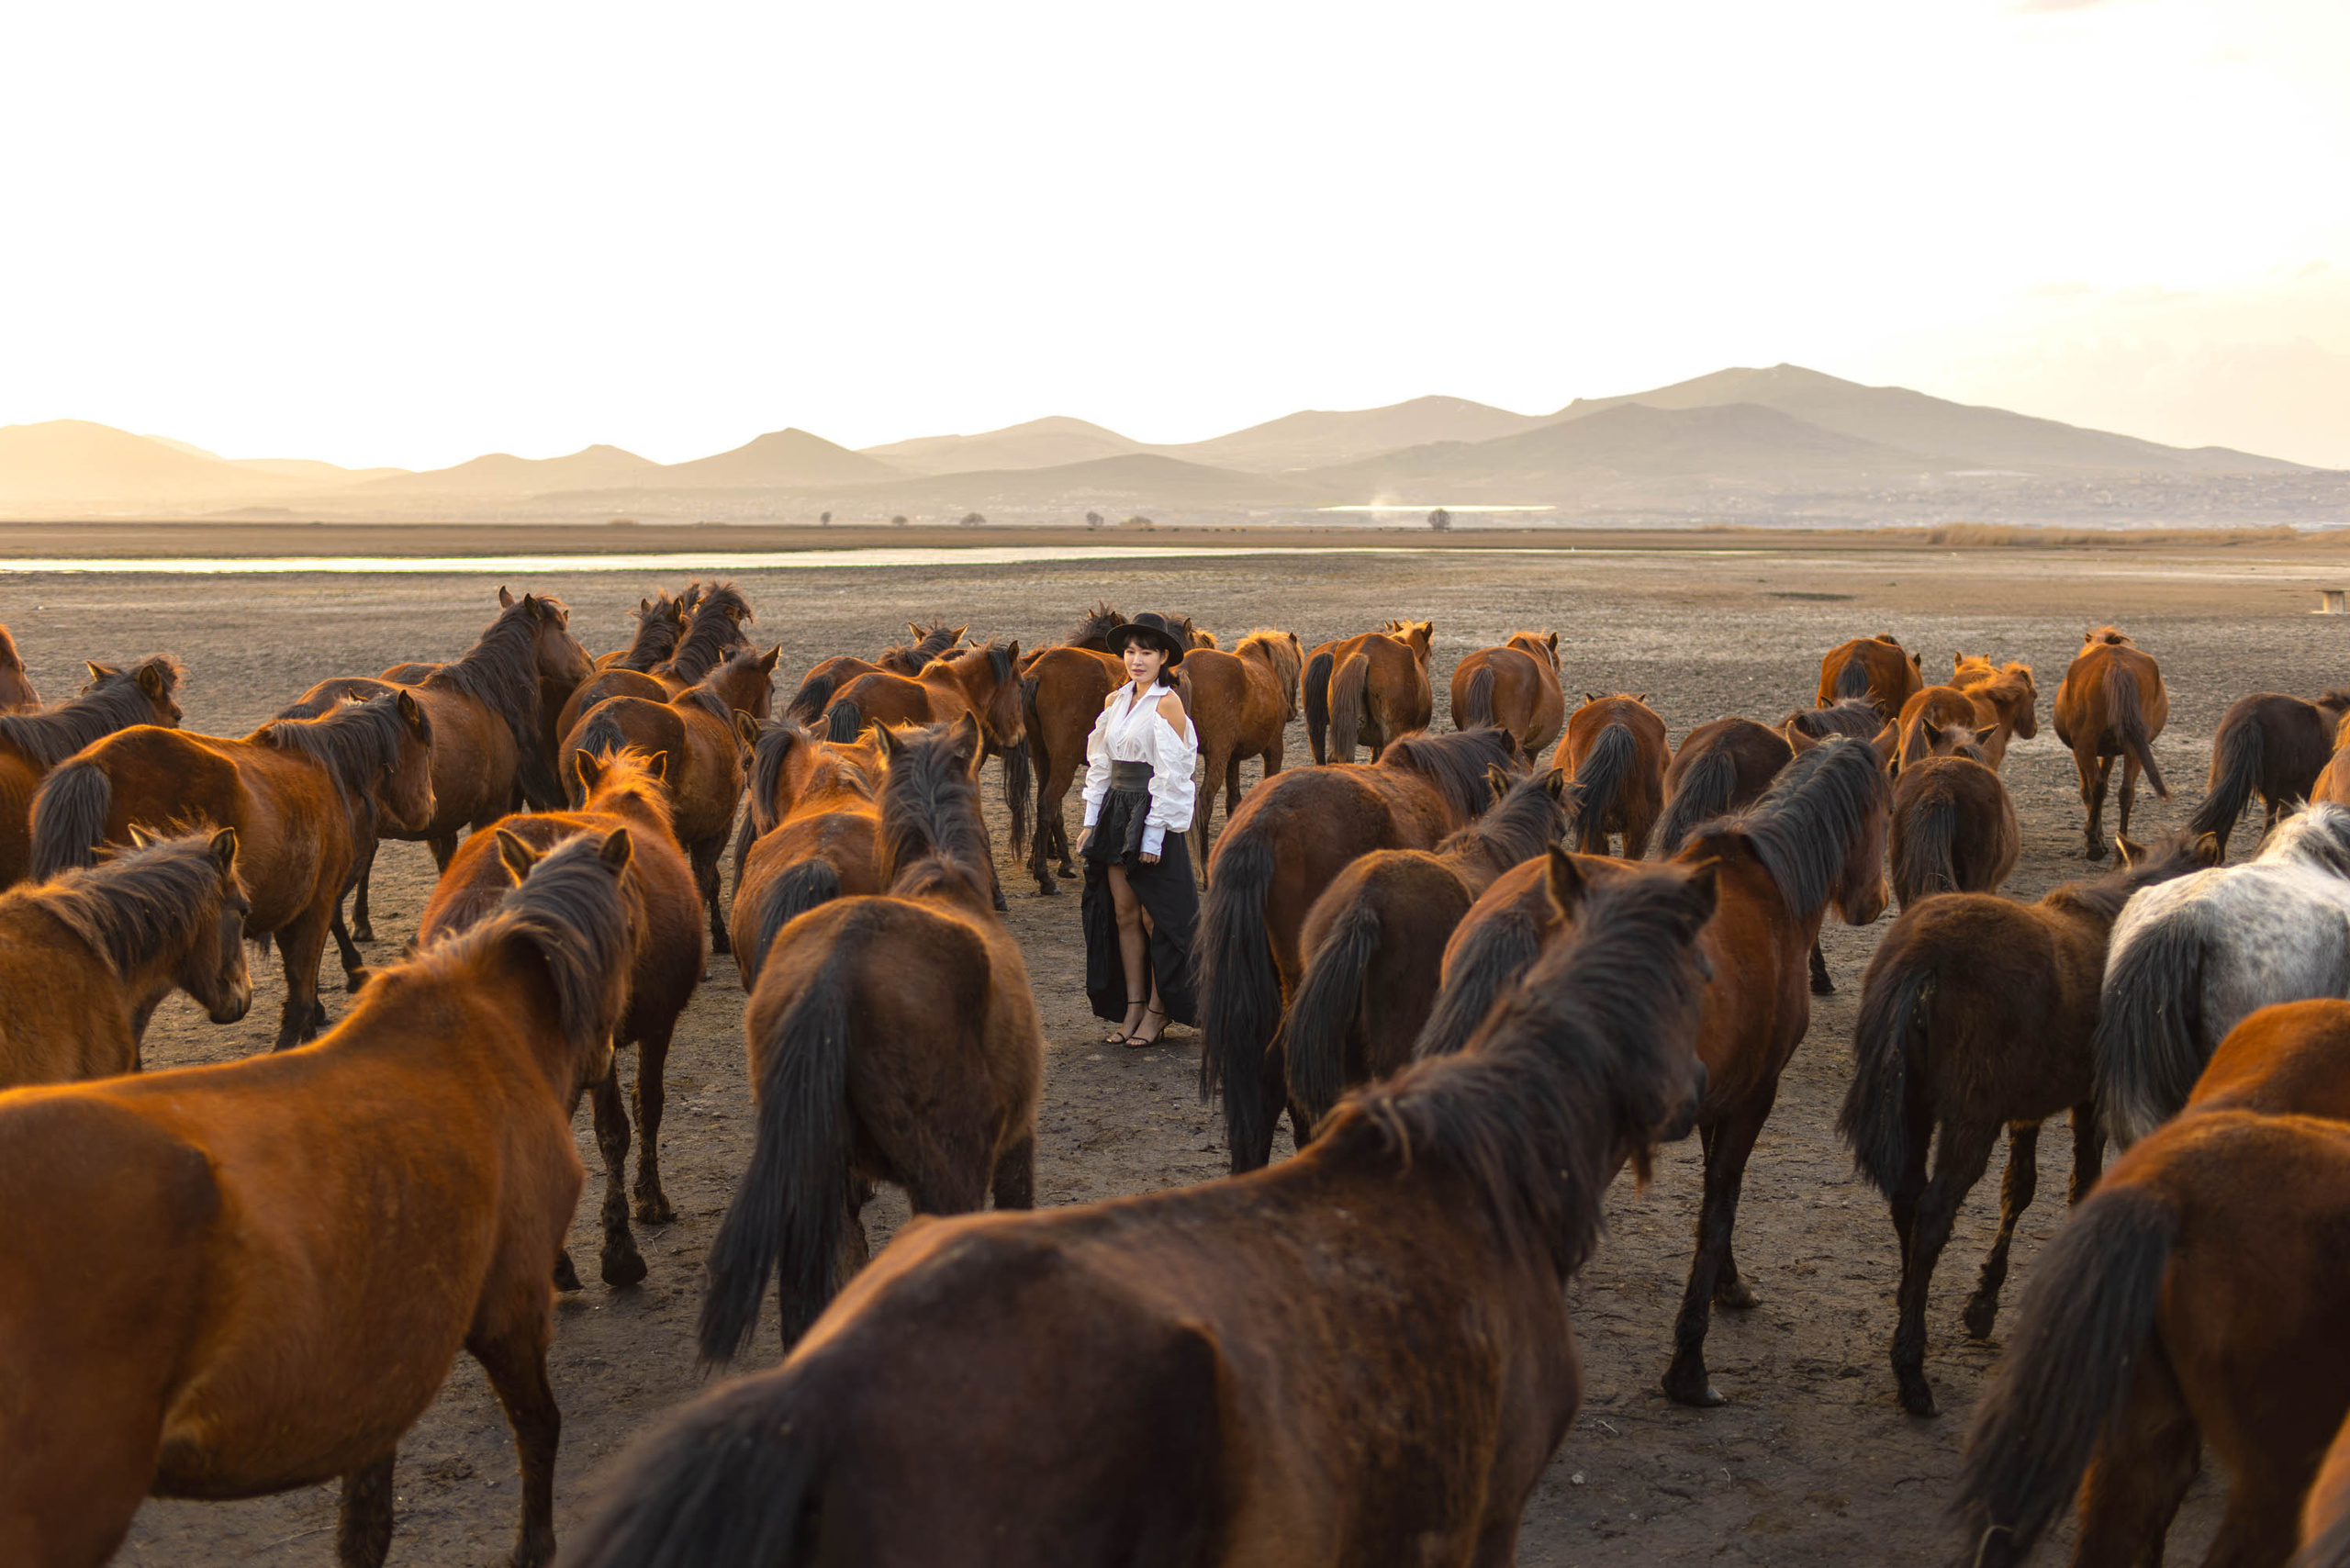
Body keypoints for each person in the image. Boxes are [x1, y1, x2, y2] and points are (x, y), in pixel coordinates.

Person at [1077, 610, 1201, 1047]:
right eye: (1130, 651)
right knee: (1124, 914)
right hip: (1115, 810)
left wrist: (1152, 836)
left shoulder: (1168, 703)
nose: (1136, 659)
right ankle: (1131, 1006)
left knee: (1154, 917)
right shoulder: (1114, 702)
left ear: (1163, 656)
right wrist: (1091, 822)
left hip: (1152, 813)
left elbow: (1175, 773)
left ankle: (1158, 1009)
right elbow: (1100, 767)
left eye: (1146, 652)